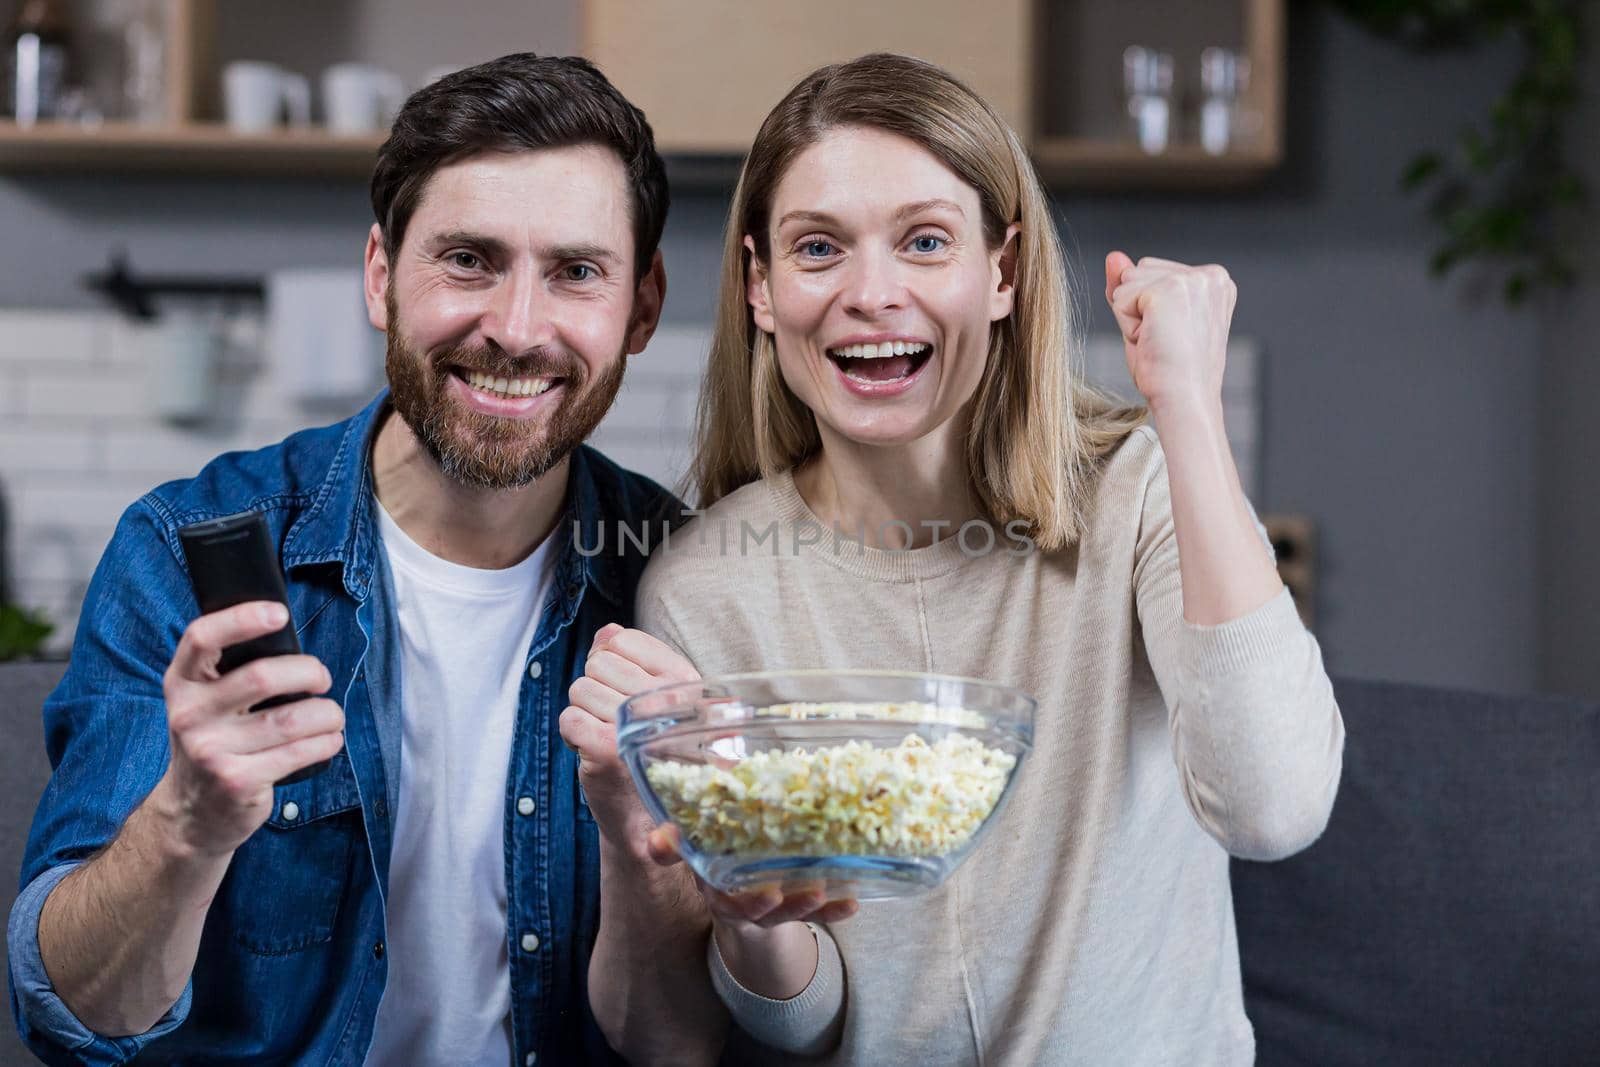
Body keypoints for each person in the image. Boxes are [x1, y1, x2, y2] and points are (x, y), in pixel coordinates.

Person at [566, 52, 1345, 1064]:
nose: (871, 293)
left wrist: (1186, 407)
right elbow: (811, 1014)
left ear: (1002, 273)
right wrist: (751, 915)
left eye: (925, 241)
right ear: (760, 287)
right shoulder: (707, 585)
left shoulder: (1136, 492)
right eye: (818, 249)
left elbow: (1272, 807)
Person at [7, 52, 724, 1065]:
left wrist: (642, 850)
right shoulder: (183, 547)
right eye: (468, 259)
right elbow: (71, 1015)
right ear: (382, 275)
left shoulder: (683, 582)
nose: (516, 330)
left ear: (641, 306)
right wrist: (188, 820)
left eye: (575, 272)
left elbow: (677, 1046)